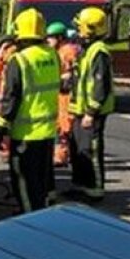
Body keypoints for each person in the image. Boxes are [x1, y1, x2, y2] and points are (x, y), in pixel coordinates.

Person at [0, 9, 60, 213]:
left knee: (23, 181)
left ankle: (28, 218)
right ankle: (43, 212)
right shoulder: (53, 55)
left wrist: (0, 129)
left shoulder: (19, 60)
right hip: (47, 132)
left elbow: (10, 98)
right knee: (42, 179)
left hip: (25, 134)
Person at [68, 7, 115, 202]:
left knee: (92, 151)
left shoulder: (99, 52)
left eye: (81, 28)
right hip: (80, 111)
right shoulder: (87, 50)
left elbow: (99, 85)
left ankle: (95, 190)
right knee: (78, 150)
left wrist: (91, 112)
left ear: (91, 29)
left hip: (91, 113)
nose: (78, 32)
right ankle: (81, 186)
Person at [46, 22, 79, 166]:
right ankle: (64, 155)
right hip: (60, 94)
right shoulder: (59, 51)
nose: (48, 41)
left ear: (59, 37)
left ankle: (62, 156)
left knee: (64, 126)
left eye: (51, 38)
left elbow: (72, 73)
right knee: (60, 125)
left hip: (67, 94)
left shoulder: (67, 51)